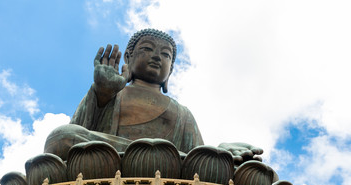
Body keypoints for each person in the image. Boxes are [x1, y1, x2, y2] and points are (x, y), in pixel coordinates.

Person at [44, 29, 262, 162]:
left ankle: (160, 157)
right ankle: (157, 157)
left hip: (167, 163)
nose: (157, 56)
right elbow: (73, 135)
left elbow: (198, 155)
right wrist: (102, 93)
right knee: (61, 136)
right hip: (110, 158)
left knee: (246, 169)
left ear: (172, 69)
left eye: (165, 54)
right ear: (128, 58)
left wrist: (219, 153)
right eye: (148, 49)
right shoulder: (112, 92)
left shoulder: (182, 113)